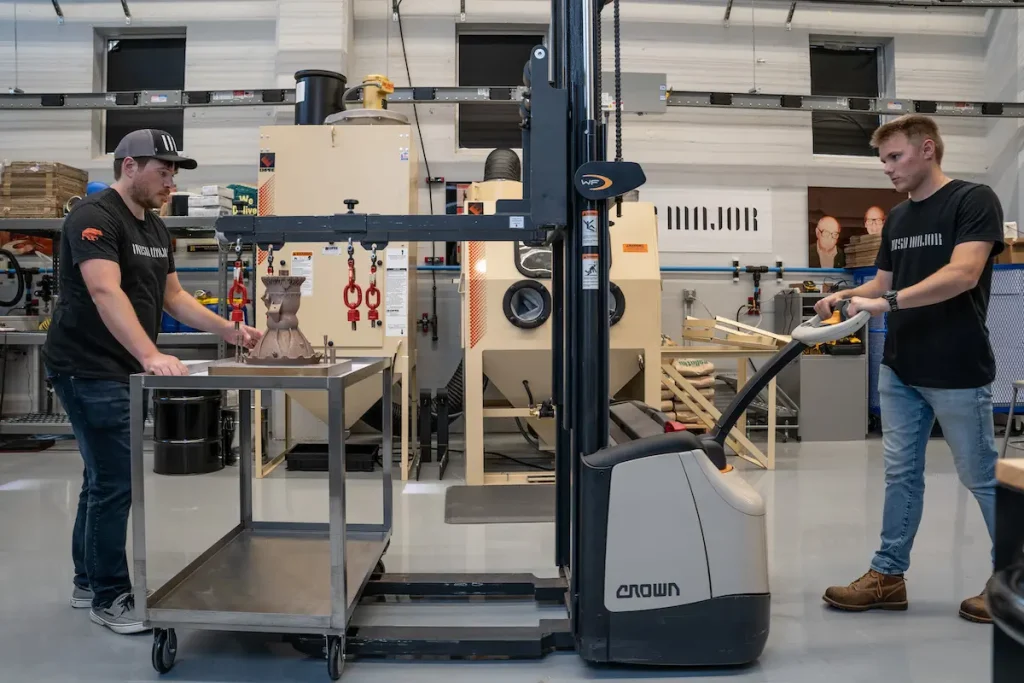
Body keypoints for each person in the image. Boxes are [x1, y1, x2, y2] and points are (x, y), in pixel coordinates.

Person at [41, 129, 262, 634]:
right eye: (163, 170)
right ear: (129, 167)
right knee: (116, 482)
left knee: (101, 479)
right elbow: (104, 290)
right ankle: (110, 596)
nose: (171, 180)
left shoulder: (158, 230)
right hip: (87, 366)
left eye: (173, 171)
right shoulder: (93, 218)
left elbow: (175, 298)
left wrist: (231, 330)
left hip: (121, 368)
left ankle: (86, 581)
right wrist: (149, 352)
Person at [814, 114, 1004, 623]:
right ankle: (888, 576)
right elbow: (881, 284)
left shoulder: (972, 200)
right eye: (883, 160)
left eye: (895, 157)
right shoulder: (898, 218)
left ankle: (1012, 582)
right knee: (901, 474)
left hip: (956, 366)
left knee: (982, 476)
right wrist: (845, 295)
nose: (888, 168)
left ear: (927, 149)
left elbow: (963, 275)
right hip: (901, 369)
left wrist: (890, 302)